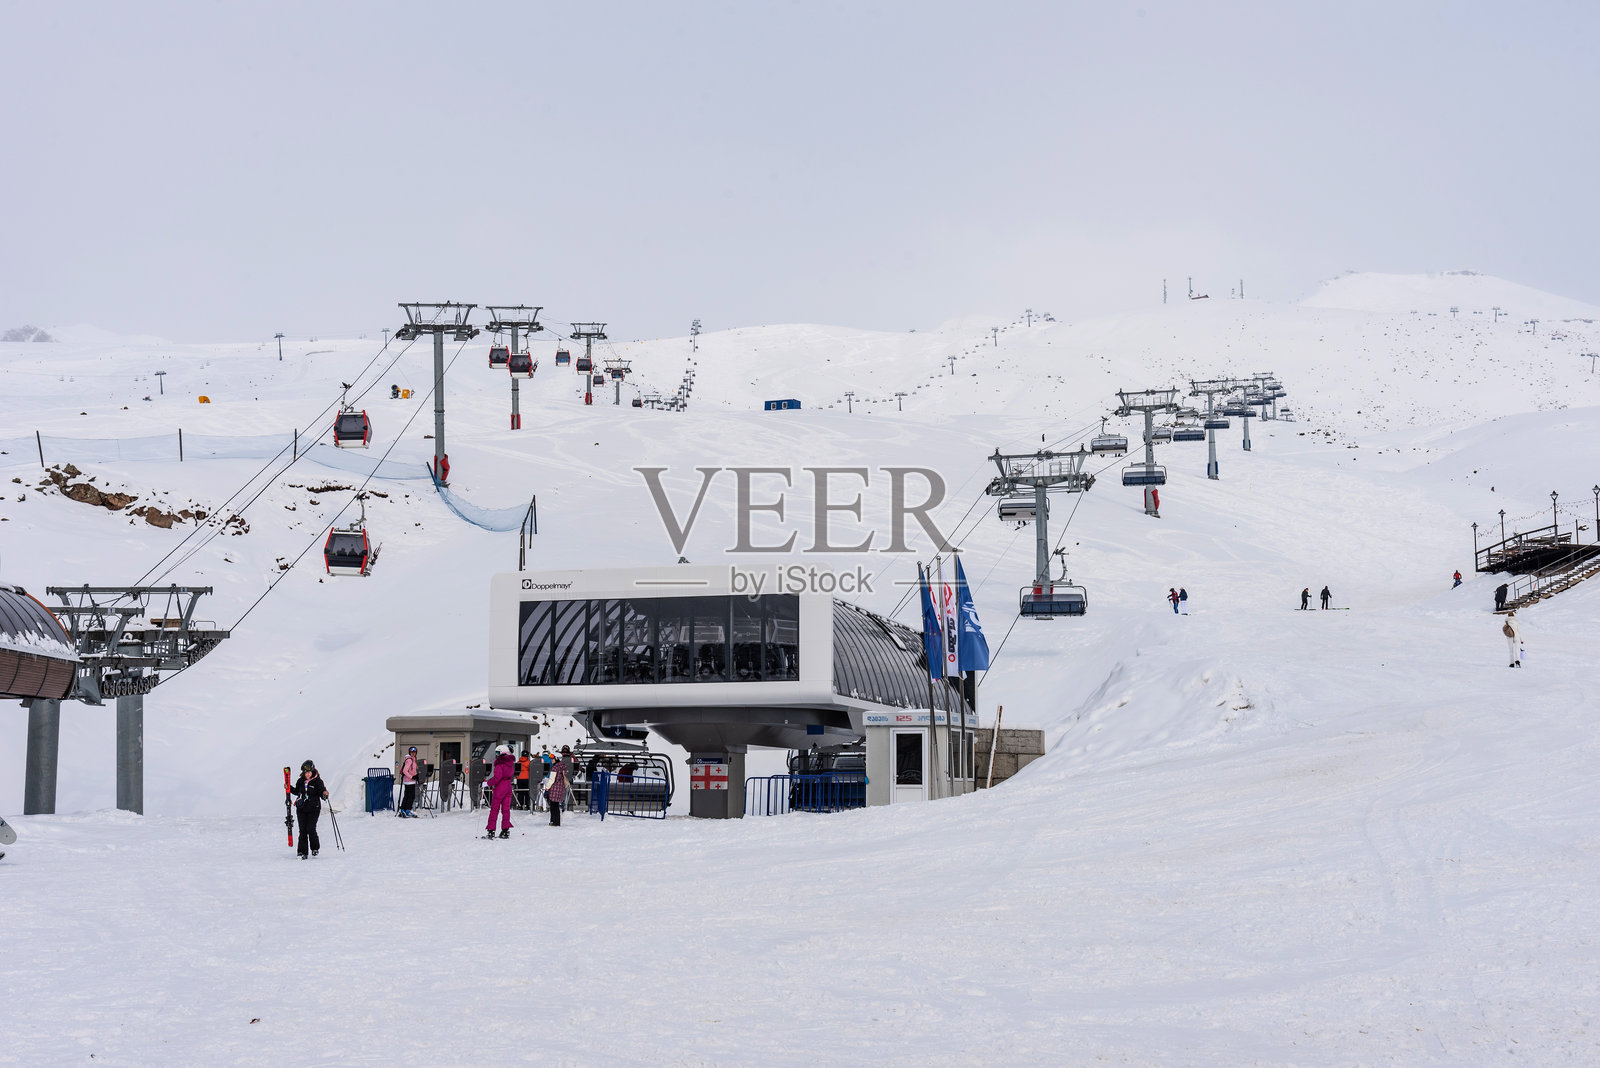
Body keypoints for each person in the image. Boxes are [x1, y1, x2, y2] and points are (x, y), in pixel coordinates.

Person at [291, 760, 328, 858]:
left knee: (310, 829)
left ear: (312, 771)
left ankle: (315, 848)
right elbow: (296, 791)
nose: (307, 774)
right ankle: (302, 852)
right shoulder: (300, 781)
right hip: (302, 808)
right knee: (302, 830)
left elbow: (321, 792)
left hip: (313, 808)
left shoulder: (318, 781)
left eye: (308, 772)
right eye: (305, 772)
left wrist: (324, 794)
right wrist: (289, 788)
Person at [483, 745, 516, 839]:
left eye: (498, 752)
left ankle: (491, 831)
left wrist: (487, 784)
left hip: (500, 788)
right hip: (508, 787)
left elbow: (497, 778)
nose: (496, 755)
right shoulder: (510, 764)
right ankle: (505, 830)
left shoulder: (499, 764)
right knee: (506, 810)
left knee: (494, 810)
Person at [547, 747, 573, 827]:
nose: (552, 760)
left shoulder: (555, 767)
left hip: (554, 788)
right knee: (556, 806)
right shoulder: (563, 766)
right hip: (560, 788)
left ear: (557, 759)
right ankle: (556, 822)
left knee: (553, 806)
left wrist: (547, 787)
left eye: (553, 759)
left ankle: (554, 822)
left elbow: (551, 779)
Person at [398, 746, 419, 818]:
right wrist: (412, 777)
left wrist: (416, 776)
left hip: (409, 781)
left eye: (414, 752)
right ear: (409, 752)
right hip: (409, 781)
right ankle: (407, 810)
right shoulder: (409, 760)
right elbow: (404, 770)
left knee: (407, 796)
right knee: (411, 796)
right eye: (411, 752)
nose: (413, 753)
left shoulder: (413, 759)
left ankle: (403, 810)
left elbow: (412, 770)